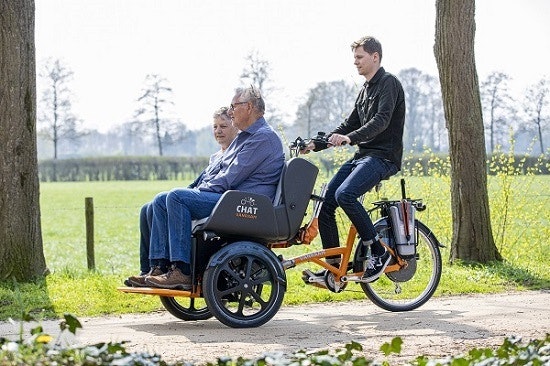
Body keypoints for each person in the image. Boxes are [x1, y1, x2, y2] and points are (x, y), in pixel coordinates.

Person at [142, 86, 285, 290]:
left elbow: (231, 176)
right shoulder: (246, 136)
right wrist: (199, 188)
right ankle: (159, 267)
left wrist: (199, 191)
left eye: (233, 106)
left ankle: (181, 271)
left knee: (176, 197)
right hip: (230, 197)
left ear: (249, 107)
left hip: (244, 203)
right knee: (160, 200)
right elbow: (221, 171)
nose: (230, 111)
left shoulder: (263, 137)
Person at [301, 36, 406, 284]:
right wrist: (316, 144)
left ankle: (378, 251)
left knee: (345, 195)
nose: (355, 63)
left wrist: (350, 139)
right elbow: (349, 124)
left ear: (375, 57)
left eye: (359, 57)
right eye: (355, 58)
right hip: (364, 156)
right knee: (327, 202)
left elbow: (381, 121)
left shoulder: (389, 83)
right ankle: (334, 269)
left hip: (383, 156)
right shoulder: (365, 90)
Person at [125, 107, 239, 287]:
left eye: (223, 126)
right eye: (215, 126)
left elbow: (227, 181)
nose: (218, 131)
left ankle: (179, 269)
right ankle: (154, 267)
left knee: (173, 197)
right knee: (148, 208)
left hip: (220, 200)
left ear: (235, 126)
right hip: (206, 194)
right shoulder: (215, 156)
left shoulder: (237, 152)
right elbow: (200, 181)